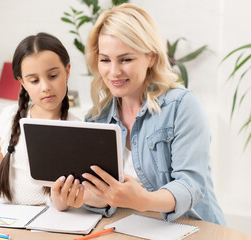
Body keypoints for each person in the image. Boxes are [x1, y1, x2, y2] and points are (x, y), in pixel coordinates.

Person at [79, 3, 226, 225]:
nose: (114, 71)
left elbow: (190, 185)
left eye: (126, 59)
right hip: (132, 229)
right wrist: (76, 196)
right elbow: (100, 195)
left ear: (151, 58)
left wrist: (144, 200)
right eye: (105, 59)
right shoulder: (96, 118)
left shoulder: (182, 106)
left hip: (194, 228)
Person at [0, 32, 85, 212]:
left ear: (67, 71)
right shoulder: (9, 118)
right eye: (34, 80)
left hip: (50, 221)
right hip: (6, 217)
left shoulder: (79, 129)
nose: (45, 87)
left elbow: (72, 193)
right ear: (22, 82)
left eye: (52, 76)